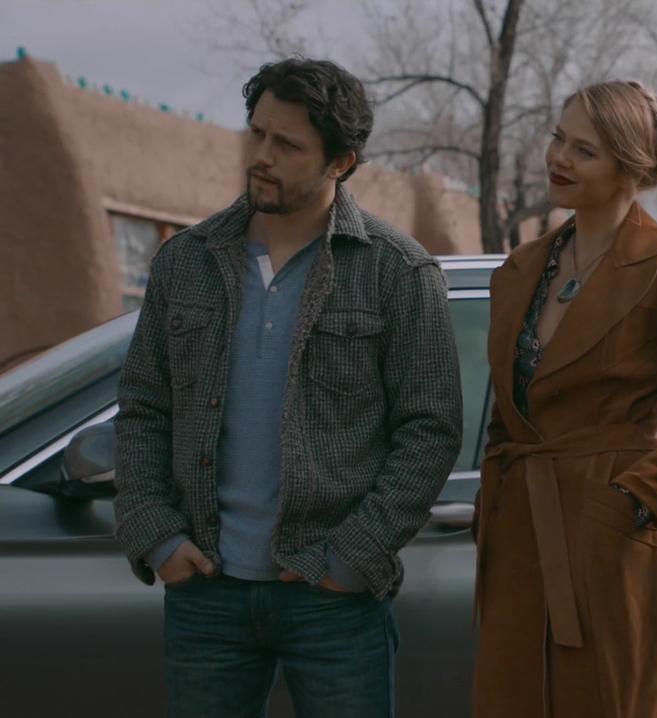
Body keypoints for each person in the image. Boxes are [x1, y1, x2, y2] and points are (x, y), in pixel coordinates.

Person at [113, 57, 464, 718]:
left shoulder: (396, 272)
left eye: (288, 144)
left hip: (332, 597)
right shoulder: (186, 261)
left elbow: (431, 429)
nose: (261, 156)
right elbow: (142, 411)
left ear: (341, 163)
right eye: (257, 133)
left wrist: (353, 557)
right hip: (206, 589)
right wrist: (155, 534)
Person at [470, 79, 657, 717]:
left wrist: (636, 500)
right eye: (559, 138)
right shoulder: (519, 269)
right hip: (519, 539)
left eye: (584, 151)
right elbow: (508, 412)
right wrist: (491, 508)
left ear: (629, 167)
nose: (559, 158)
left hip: (617, 541)